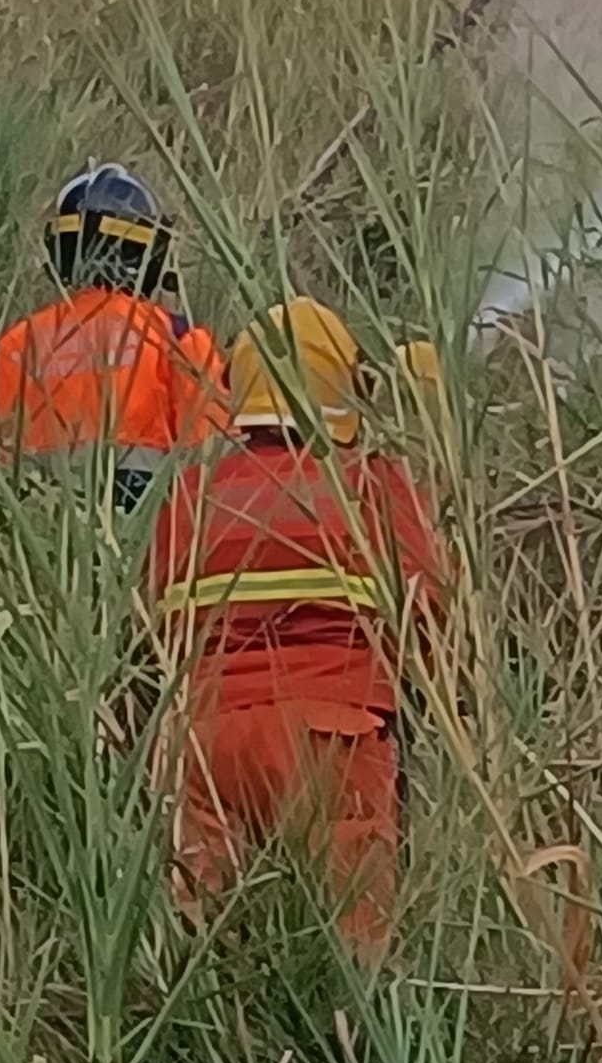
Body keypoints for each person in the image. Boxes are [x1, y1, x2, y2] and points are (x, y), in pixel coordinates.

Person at [150, 298, 447, 952]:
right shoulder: (369, 487)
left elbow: (155, 632)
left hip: (205, 744)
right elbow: (431, 615)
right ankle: (349, 1051)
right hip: (331, 740)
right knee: (356, 953)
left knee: (205, 956)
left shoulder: (188, 499)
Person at [0, 165, 227, 511]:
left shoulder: (12, 346)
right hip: (143, 530)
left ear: (61, 252)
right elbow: (213, 458)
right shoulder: (177, 338)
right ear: (152, 255)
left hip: (29, 529)